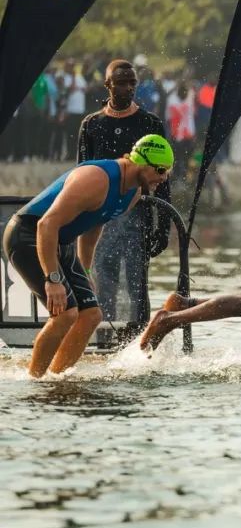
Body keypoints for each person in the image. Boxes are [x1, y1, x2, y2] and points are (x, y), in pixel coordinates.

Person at [3, 135, 173, 376]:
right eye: (160, 170)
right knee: (65, 315)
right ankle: (35, 381)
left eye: (167, 173)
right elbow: (46, 225)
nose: (163, 178)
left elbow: (94, 224)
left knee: (91, 315)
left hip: (60, 241)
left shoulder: (133, 192)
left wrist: (85, 269)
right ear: (141, 163)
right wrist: (52, 279)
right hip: (28, 235)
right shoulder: (96, 178)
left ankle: (58, 379)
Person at [76, 60, 173, 339]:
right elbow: (80, 176)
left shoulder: (150, 123)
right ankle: (103, 341)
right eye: (121, 83)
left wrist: (163, 228)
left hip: (138, 218)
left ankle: (138, 344)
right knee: (102, 283)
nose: (128, 88)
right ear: (108, 85)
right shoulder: (92, 124)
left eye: (132, 83)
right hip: (100, 219)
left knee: (136, 286)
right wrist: (78, 223)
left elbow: (163, 178)